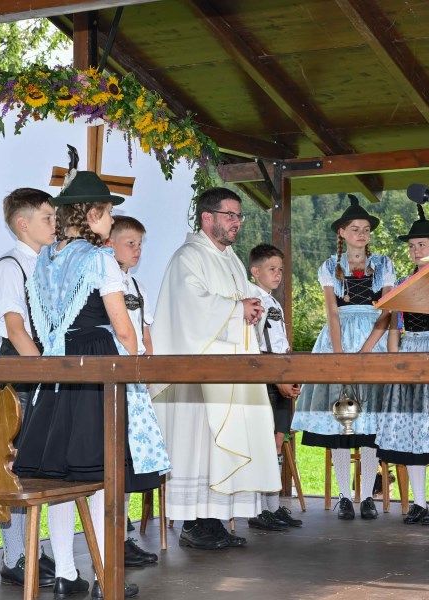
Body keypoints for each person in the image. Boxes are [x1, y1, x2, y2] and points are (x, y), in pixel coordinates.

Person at [12, 171, 171, 599]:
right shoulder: (99, 259)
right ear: (93, 213)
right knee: (101, 476)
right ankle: (107, 575)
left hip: (58, 367)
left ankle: (66, 573)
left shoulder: (45, 258)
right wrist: (136, 355)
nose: (112, 220)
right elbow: (122, 326)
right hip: (97, 362)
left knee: (62, 478)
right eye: (109, 212)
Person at [150, 187, 280, 550]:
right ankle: (194, 523)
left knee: (219, 450)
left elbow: (238, 305)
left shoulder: (232, 259)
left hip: (229, 373)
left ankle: (214, 519)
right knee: (199, 447)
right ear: (207, 218)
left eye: (239, 216)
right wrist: (238, 309)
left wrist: (250, 309)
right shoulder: (188, 257)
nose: (236, 223)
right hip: (199, 379)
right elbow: (190, 308)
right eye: (230, 216)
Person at [291, 195, 395, 521]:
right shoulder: (328, 266)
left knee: (368, 426)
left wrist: (366, 350)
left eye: (365, 229)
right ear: (342, 232)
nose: (361, 234)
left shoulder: (383, 264)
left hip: (372, 338)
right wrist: (339, 355)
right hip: (338, 341)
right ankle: (344, 496)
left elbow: (388, 310)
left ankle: (367, 496)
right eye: (355, 228)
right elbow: (332, 312)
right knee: (341, 423)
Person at [375, 205, 429, 525]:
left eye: (422, 244)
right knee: (411, 431)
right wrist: (396, 360)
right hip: (408, 353)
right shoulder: (403, 282)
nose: (415, 250)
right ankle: (418, 501)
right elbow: (395, 325)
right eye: (412, 246)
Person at [0, 187, 57, 586]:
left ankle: (33, 549)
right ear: (23, 223)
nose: (54, 224)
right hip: (22, 370)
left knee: (37, 465)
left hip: (43, 367)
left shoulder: (47, 264)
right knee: (16, 464)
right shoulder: (11, 266)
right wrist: (47, 372)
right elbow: (16, 330)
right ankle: (15, 558)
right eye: (47, 218)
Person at [104, 215, 160, 567]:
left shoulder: (135, 285)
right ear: (110, 244)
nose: (137, 250)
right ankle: (112, 535)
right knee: (114, 459)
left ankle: (123, 536)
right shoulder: (105, 282)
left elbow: (144, 331)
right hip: (115, 375)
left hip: (136, 379)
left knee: (129, 462)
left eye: (140, 244)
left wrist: (149, 364)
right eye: (130, 243)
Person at [246, 243, 303, 531]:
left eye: (280, 269)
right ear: (255, 271)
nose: (277, 274)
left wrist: (291, 376)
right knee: (264, 444)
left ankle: (273, 504)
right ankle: (258, 509)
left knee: (278, 442)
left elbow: (281, 343)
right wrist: (278, 379)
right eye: (271, 269)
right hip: (267, 380)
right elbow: (257, 346)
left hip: (281, 377)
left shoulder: (274, 301)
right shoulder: (253, 300)